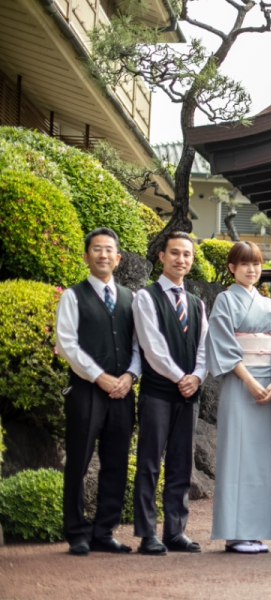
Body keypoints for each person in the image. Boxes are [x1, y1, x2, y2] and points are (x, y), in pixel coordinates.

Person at [56, 227, 140, 556]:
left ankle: (104, 530)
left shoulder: (131, 298)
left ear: (118, 259)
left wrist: (131, 376)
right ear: (86, 255)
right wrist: (100, 377)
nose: (103, 255)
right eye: (96, 249)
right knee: (78, 460)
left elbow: (138, 344)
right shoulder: (72, 296)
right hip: (85, 391)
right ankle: (76, 532)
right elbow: (67, 344)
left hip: (123, 391)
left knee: (117, 461)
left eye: (109, 250)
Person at [133, 231, 208, 556]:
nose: (181, 259)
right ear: (161, 256)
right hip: (158, 392)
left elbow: (205, 346)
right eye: (175, 253)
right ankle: (147, 533)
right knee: (150, 462)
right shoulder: (145, 297)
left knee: (181, 464)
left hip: (189, 395)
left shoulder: (197, 303)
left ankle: (175, 531)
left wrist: (198, 376)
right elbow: (152, 347)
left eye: (187, 255)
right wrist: (181, 377)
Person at [207, 242, 271, 554]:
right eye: (245, 264)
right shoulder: (224, 301)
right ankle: (236, 532)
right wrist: (251, 382)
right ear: (231, 268)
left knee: (262, 459)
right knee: (237, 455)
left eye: (257, 264)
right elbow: (223, 345)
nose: (252, 270)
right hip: (241, 384)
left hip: (268, 384)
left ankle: (257, 529)